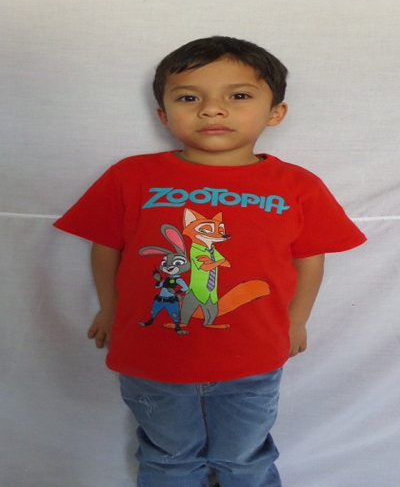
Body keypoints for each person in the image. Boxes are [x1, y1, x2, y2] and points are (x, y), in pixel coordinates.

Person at [53, 36, 367, 487]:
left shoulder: (297, 185)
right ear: (163, 115)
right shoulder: (131, 176)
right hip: (152, 360)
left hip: (254, 359)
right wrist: (109, 309)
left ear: (276, 112)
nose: (212, 110)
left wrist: (296, 322)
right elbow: (105, 248)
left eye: (238, 96)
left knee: (245, 459)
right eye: (188, 98)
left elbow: (309, 260)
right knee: (169, 458)